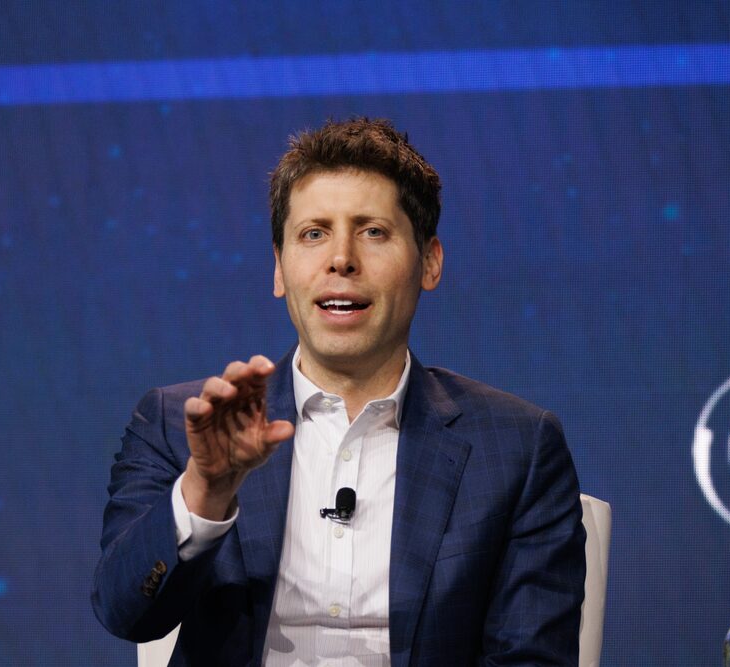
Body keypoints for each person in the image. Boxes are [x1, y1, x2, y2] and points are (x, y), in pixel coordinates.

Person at [92, 118, 586, 666]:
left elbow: (532, 658)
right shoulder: (178, 425)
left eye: (373, 231)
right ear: (279, 269)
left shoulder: (517, 447)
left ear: (430, 261)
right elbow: (125, 614)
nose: (341, 258)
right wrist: (205, 492)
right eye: (313, 233)